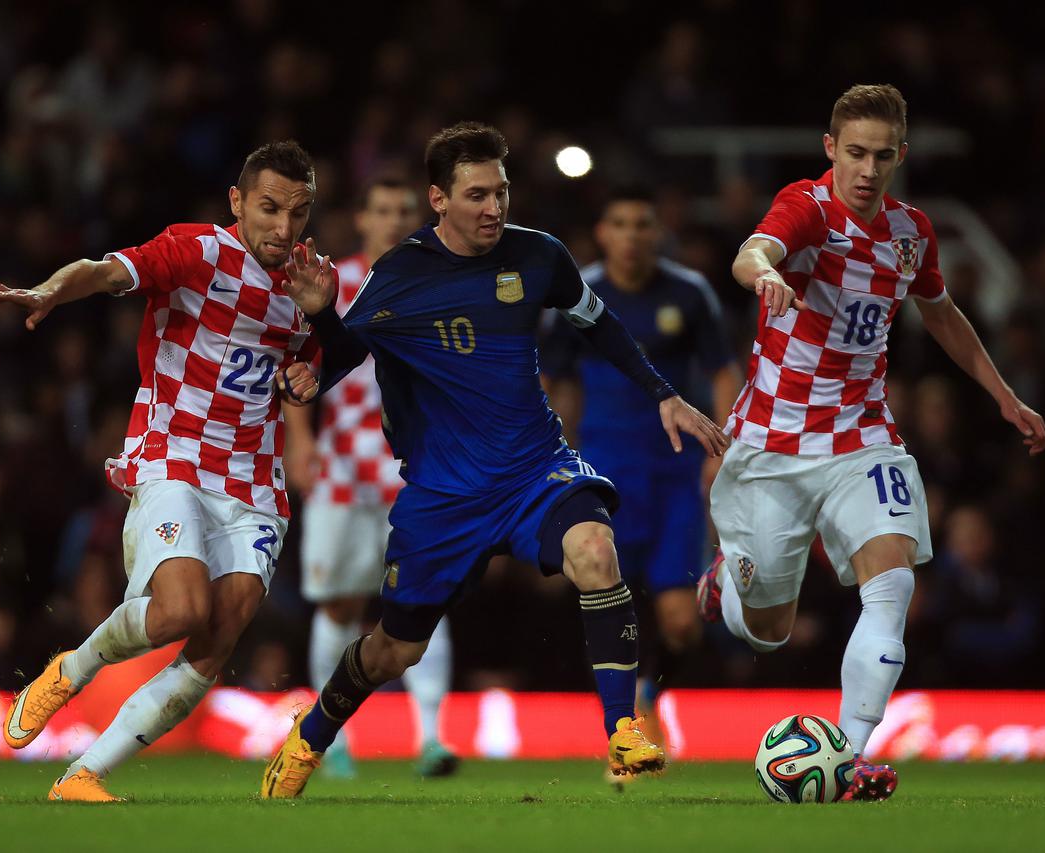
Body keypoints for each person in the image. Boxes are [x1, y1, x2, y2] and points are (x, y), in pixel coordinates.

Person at [261, 122, 728, 798]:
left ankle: (624, 729)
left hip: (535, 468)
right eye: (476, 194)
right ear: (438, 199)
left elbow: (599, 325)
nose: (494, 208)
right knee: (396, 648)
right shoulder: (401, 274)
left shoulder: (539, 257)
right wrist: (319, 326)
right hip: (445, 493)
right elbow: (339, 357)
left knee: (597, 550)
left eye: (501, 192)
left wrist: (665, 394)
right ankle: (311, 735)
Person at [696, 84, 1045, 801]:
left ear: (900, 157)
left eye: (881, 156)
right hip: (775, 443)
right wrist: (766, 274)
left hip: (863, 436)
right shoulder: (809, 207)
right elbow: (751, 252)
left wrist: (1004, 396)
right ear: (831, 149)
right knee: (768, 630)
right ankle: (722, 590)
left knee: (892, 585)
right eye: (854, 152)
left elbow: (941, 313)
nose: (866, 168)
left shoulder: (911, 231)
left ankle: (847, 758)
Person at [0, 140, 332, 802]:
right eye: (268, 209)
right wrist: (54, 290)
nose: (283, 229)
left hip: (256, 486)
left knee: (216, 635)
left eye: (299, 212)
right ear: (237, 202)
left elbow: (323, 357)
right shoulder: (197, 250)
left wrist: (314, 361)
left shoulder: (313, 283)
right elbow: (109, 269)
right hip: (175, 455)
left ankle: (82, 774)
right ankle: (73, 666)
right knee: (179, 609)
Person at [540, 186, 741, 732]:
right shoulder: (577, 298)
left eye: (642, 223)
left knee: (681, 623)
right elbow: (550, 383)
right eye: (620, 223)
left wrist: (722, 451)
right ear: (603, 233)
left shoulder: (690, 293)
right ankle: (625, 724)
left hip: (674, 476)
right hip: (603, 476)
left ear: (658, 233)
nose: (631, 235)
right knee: (606, 599)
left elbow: (724, 371)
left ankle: (649, 691)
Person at [282, 177, 458, 778]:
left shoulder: (436, 278)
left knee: (424, 598)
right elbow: (297, 363)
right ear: (362, 217)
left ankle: (432, 738)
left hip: (415, 466)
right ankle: (333, 743)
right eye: (381, 209)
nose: (391, 219)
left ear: (421, 214)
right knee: (338, 606)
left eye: (401, 209)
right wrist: (299, 439)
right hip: (340, 470)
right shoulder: (335, 282)